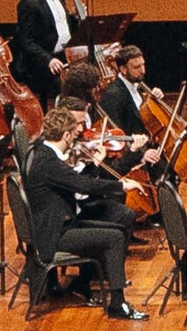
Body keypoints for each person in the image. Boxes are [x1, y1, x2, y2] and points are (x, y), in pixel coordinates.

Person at [20, 107, 147, 320]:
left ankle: (88, 284)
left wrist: (94, 166)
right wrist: (122, 186)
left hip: (55, 226)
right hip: (54, 235)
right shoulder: (49, 163)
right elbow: (82, 185)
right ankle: (118, 305)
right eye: (73, 133)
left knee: (116, 229)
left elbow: (74, 183)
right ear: (66, 135)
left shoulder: (40, 151)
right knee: (115, 238)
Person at [13, 0, 86, 105]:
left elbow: (59, 25)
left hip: (63, 55)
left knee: (85, 80)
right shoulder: (29, 3)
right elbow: (26, 41)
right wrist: (48, 60)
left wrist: (73, 16)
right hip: (41, 61)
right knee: (66, 88)